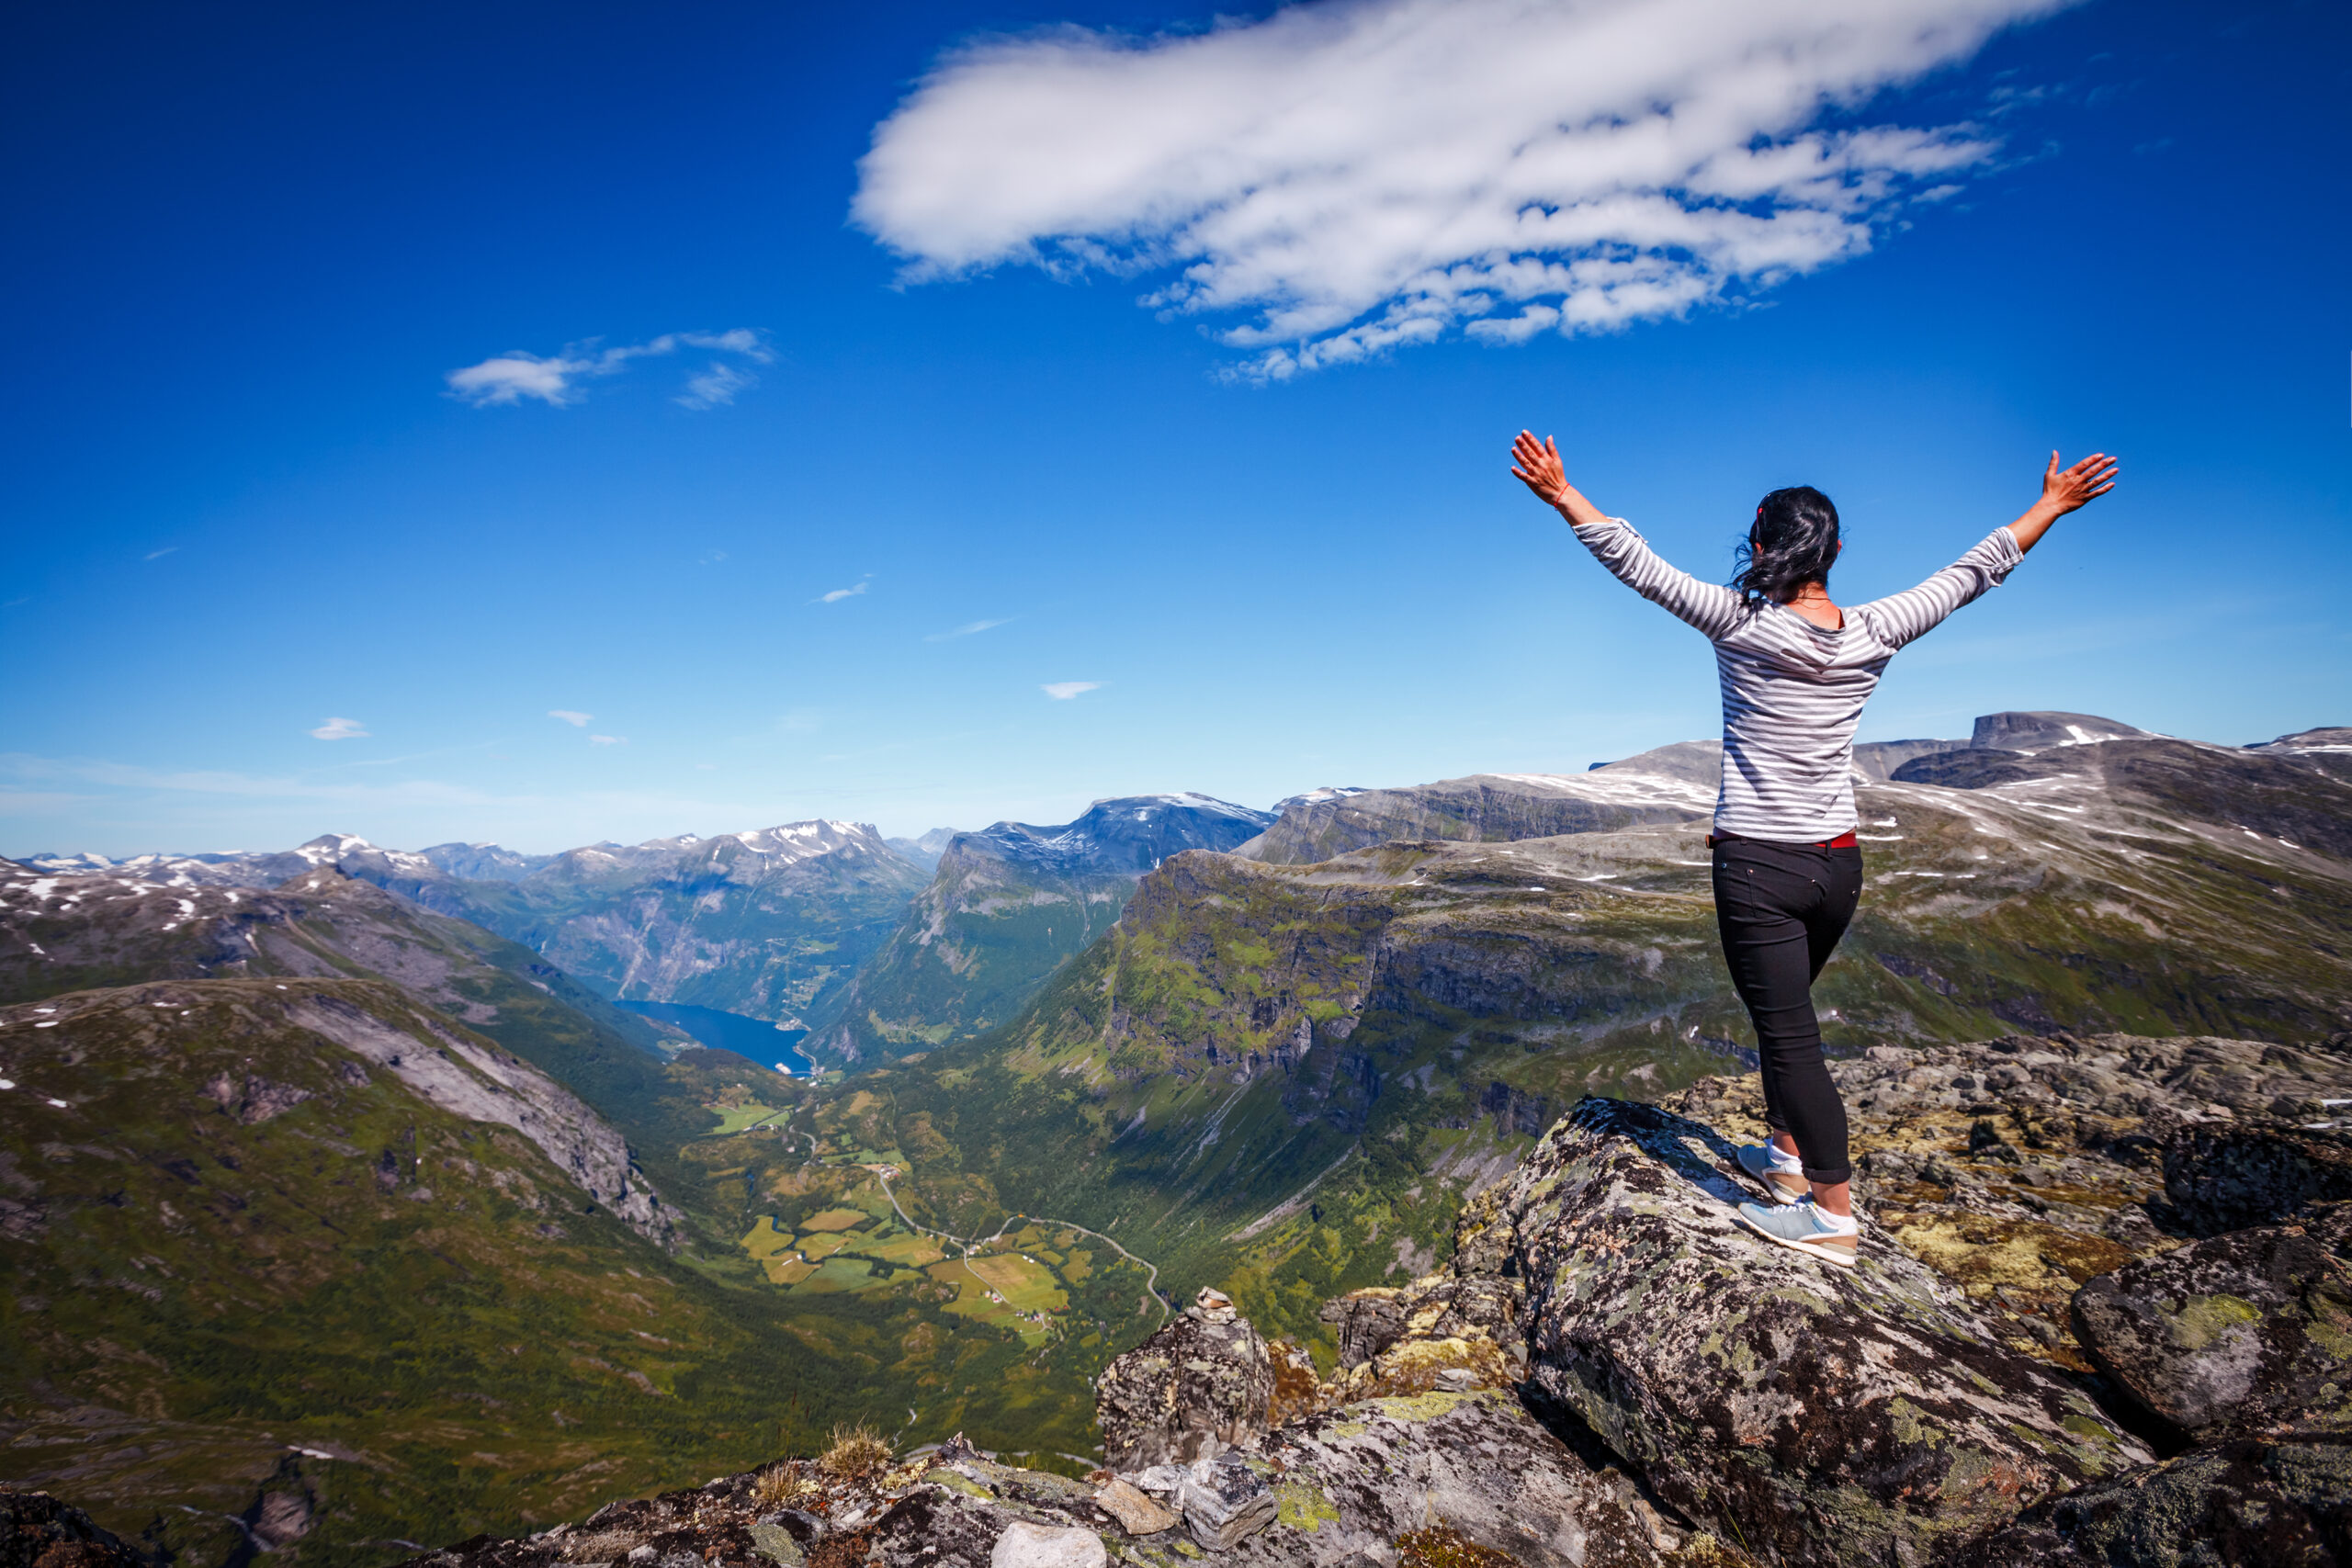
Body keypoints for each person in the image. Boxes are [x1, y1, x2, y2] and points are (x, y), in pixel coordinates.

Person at [1509, 433, 2118, 1268]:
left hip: (1759, 864)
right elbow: (1973, 572)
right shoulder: (1875, 630)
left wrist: (1562, 495)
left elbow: (1637, 564)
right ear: (1833, 553)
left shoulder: (1739, 623)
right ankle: (1785, 1157)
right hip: (1837, 865)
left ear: (1762, 548)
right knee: (1783, 1017)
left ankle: (1831, 1214)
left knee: (1790, 1037)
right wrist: (2049, 506)